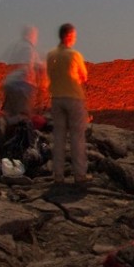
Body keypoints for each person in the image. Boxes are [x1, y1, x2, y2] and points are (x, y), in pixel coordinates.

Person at [46, 23, 88, 184]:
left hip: (56, 98)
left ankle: (58, 175)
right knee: (77, 137)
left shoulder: (51, 55)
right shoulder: (74, 55)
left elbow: (49, 73)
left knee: (59, 138)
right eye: (74, 35)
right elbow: (83, 76)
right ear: (69, 36)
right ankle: (79, 174)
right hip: (73, 97)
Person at [2, 25, 46, 123]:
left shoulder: (15, 45)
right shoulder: (28, 48)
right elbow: (28, 66)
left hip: (9, 83)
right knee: (22, 116)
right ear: (32, 35)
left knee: (9, 114)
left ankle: (5, 135)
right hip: (22, 86)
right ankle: (19, 136)